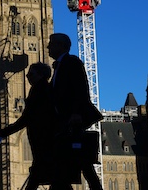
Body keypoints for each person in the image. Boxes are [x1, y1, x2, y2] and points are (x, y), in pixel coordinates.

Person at [48, 33, 104, 190]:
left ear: (61, 46)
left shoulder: (72, 62)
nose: (48, 47)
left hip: (72, 121)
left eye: (51, 44)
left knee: (81, 161)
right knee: (73, 162)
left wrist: (76, 113)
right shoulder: (59, 67)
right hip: (64, 121)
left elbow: (81, 89)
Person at [0, 62, 56, 190]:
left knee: (38, 174)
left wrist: (3, 133)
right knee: (50, 176)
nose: (27, 76)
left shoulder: (39, 90)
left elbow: (26, 118)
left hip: (42, 139)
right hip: (46, 140)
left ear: (40, 75)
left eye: (31, 74)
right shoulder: (46, 88)